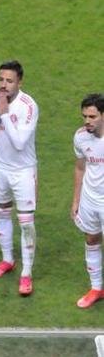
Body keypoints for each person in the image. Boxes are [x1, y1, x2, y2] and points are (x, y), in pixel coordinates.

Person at [0, 61, 39, 296]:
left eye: (9, 81)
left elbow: (20, 142)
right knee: (1, 210)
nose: (4, 85)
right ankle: (7, 260)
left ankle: (26, 274)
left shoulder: (29, 106)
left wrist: (5, 115)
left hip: (23, 170)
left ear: (19, 82)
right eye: (1, 79)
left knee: (26, 222)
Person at [73, 94, 104, 308]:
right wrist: (76, 200)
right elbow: (80, 167)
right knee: (91, 239)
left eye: (92, 116)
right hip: (89, 199)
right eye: (84, 116)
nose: (87, 121)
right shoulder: (81, 137)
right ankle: (96, 288)